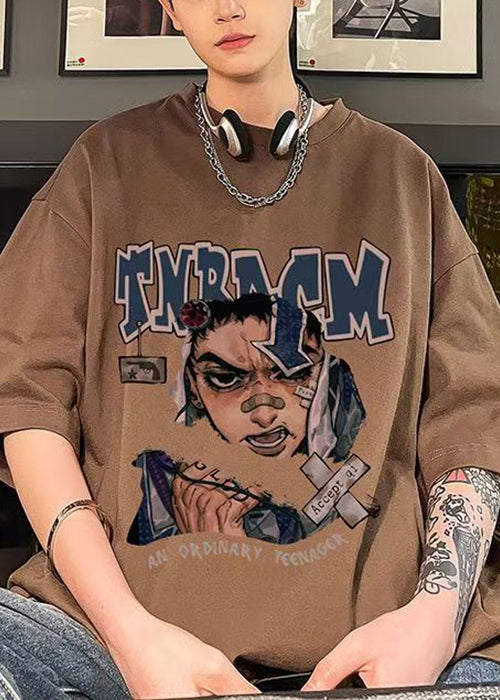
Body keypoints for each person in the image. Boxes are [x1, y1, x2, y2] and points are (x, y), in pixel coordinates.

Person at [0, 0, 500, 698]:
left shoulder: (403, 178)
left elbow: (474, 422)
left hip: (388, 652)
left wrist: (435, 620)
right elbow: (27, 402)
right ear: (170, 9)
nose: (228, 6)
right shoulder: (102, 166)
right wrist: (130, 634)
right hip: (98, 637)